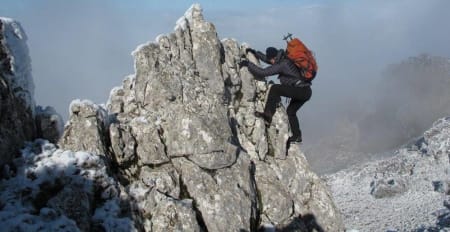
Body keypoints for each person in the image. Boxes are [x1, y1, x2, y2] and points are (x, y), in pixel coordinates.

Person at [239, 47, 312, 144]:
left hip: (301, 91)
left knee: (275, 89)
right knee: (290, 111)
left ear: (274, 57)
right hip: (306, 91)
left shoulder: (282, 64)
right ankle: (297, 136)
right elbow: (269, 61)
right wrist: (256, 53)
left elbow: (263, 72)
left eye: (271, 59)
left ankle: (267, 116)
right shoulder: (283, 58)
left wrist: (248, 64)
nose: (271, 62)